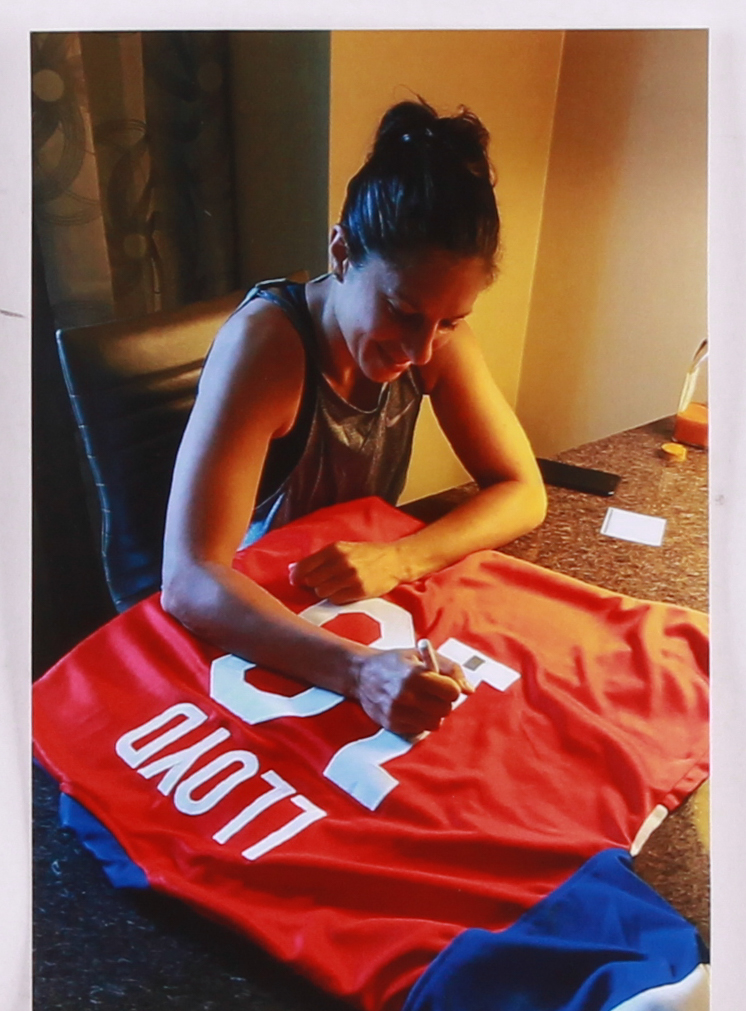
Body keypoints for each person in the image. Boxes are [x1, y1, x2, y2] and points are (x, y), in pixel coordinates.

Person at [161, 98, 547, 738]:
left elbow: (523, 491)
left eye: (450, 322)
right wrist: (360, 673)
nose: (422, 351)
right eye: (402, 311)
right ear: (341, 252)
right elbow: (188, 578)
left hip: (349, 604)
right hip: (252, 622)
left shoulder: (433, 341)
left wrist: (400, 559)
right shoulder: (267, 348)